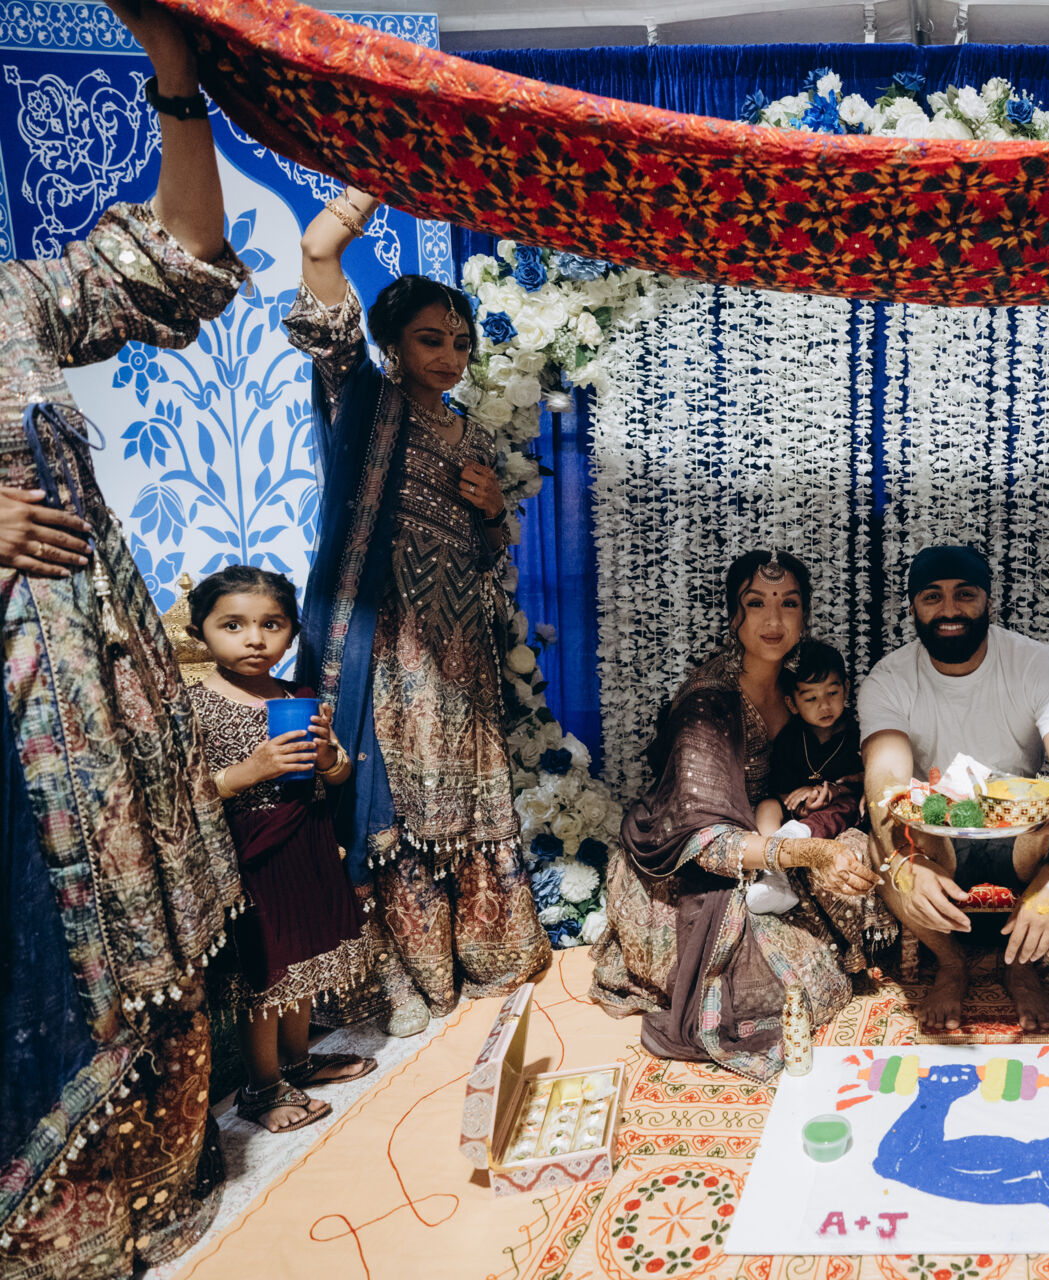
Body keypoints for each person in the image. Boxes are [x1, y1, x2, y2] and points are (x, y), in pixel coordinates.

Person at [0, 3, 249, 1272]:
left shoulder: (13, 300)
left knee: (146, 920)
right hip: (18, 723)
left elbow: (185, 257)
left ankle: (151, 1186)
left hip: (98, 678)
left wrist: (175, 77)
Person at [290, 187, 549, 1037]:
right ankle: (403, 976)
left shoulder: (472, 435)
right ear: (391, 343)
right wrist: (370, 181)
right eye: (431, 339)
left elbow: (486, 560)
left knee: (467, 798)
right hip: (387, 641)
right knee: (393, 802)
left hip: (461, 645)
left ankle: (485, 950)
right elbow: (319, 256)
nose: (450, 356)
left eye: (461, 342)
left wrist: (492, 515)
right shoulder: (362, 401)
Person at [590, 552, 894, 1080]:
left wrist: (834, 798)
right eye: (756, 603)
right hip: (694, 863)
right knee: (780, 989)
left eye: (789, 604)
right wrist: (808, 851)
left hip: (775, 842)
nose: (773, 621)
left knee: (862, 852)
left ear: (805, 614)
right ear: (734, 614)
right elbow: (702, 838)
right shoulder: (708, 701)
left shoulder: (802, 686)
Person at [861, 545, 1049, 1034]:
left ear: (988, 601)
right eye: (932, 596)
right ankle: (951, 964)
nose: (949, 610)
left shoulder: (1040, 665)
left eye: (965, 594)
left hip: (1022, 840)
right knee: (882, 840)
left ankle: (1021, 966)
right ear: (913, 607)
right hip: (939, 842)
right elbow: (885, 782)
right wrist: (907, 864)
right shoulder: (889, 678)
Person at [185, 567, 376, 1133]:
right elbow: (180, 795)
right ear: (199, 633)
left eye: (272, 624)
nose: (254, 639)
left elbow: (339, 773)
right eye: (233, 625)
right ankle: (261, 1086)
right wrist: (249, 771)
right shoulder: (191, 706)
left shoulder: (298, 696)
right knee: (264, 970)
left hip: (306, 838)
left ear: (292, 632)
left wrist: (328, 759)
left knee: (303, 956)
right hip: (250, 851)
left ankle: (297, 1061)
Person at [756, 638, 863, 840]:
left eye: (832, 693)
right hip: (798, 810)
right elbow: (781, 788)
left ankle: (802, 834)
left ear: (846, 689)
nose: (824, 705)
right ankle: (771, 846)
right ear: (792, 704)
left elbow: (862, 781)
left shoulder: (856, 734)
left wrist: (832, 791)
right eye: (811, 699)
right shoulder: (790, 738)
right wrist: (802, 807)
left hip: (834, 810)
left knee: (848, 805)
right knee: (767, 805)